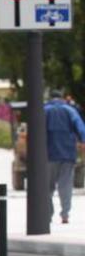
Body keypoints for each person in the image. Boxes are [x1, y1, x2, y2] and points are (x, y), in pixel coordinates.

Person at [45, 89, 85, 224]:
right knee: (66, 185)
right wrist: (83, 141)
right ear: (62, 98)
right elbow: (80, 127)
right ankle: (65, 214)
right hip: (68, 154)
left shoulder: (44, 110)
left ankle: (47, 215)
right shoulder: (70, 110)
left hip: (48, 155)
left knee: (47, 187)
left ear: (50, 98)